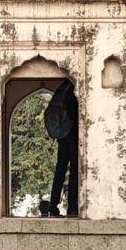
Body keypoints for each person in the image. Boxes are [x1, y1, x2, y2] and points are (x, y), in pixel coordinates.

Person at [43, 78, 80, 215]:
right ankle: (72, 206)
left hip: (62, 135)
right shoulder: (74, 89)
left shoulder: (62, 89)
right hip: (72, 133)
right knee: (75, 170)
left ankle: (53, 206)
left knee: (61, 169)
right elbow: (74, 113)